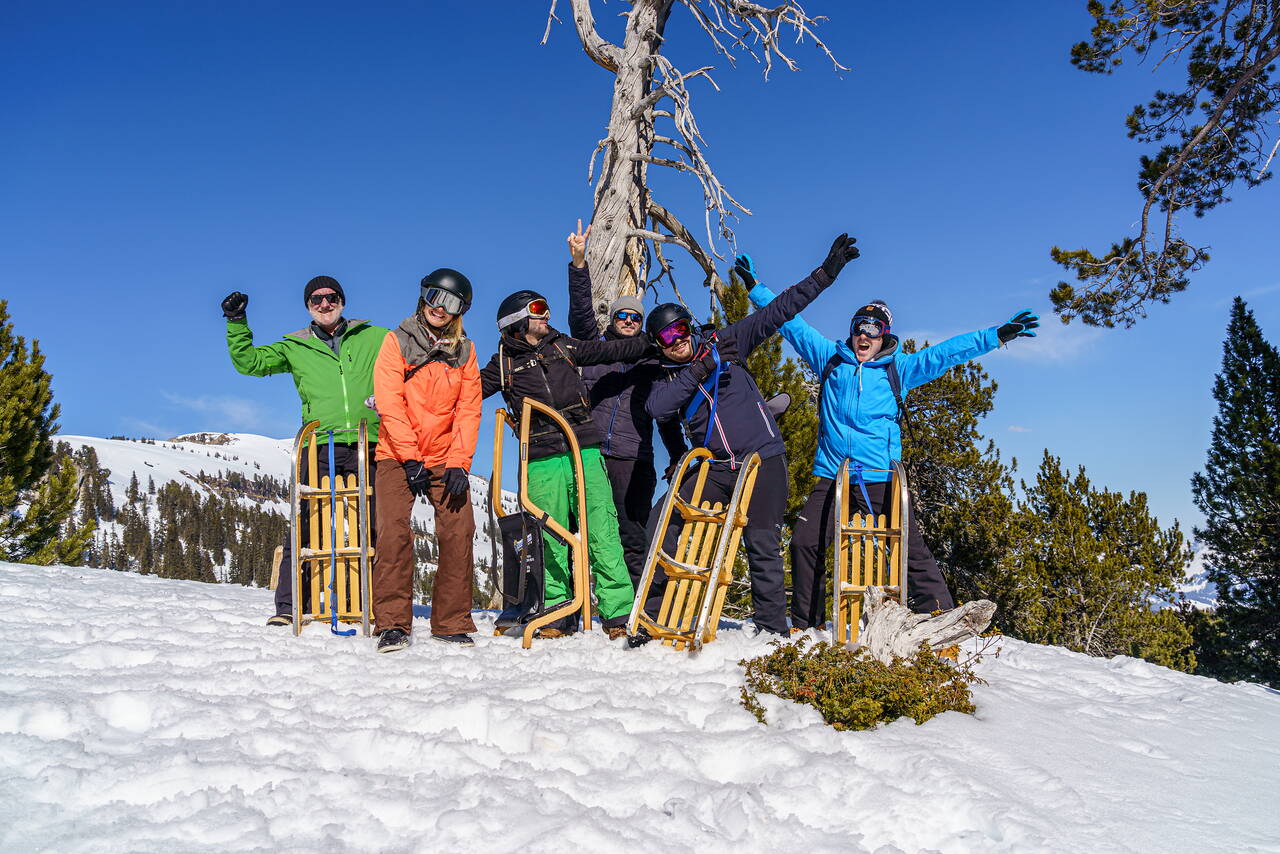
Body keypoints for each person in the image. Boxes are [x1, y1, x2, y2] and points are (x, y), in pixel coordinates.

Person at [743, 255, 1039, 625]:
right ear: (852, 331)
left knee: (910, 550)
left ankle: (942, 620)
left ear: (885, 335)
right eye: (859, 327)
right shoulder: (830, 361)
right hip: (833, 474)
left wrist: (995, 336)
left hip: (880, 476)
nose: (865, 335)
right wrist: (757, 290)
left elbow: (946, 353)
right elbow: (791, 323)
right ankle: (807, 625)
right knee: (805, 542)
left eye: (874, 328)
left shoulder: (899, 369)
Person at [641, 234, 861, 638]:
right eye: (668, 338)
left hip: (763, 459)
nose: (679, 340)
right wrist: (701, 368)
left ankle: (772, 631)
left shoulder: (728, 342)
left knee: (762, 546)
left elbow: (780, 311)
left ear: (691, 326)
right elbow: (657, 409)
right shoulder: (667, 377)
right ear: (659, 346)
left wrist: (826, 273)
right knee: (662, 523)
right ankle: (652, 616)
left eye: (682, 329)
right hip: (717, 467)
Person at [480, 283, 654, 640]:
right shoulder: (502, 364)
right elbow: (463, 392)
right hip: (541, 457)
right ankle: (557, 614)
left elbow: (613, 350)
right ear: (517, 320)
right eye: (538, 308)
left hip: (583, 447)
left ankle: (618, 612)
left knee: (601, 528)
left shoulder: (564, 346)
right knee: (550, 534)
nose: (547, 315)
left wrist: (656, 341)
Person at [222, 276, 387, 627]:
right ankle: (291, 605)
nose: (325, 305)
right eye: (316, 300)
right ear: (308, 306)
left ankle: (373, 603)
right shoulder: (295, 345)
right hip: (320, 444)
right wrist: (237, 323)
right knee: (304, 525)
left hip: (369, 440)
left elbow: (411, 355)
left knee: (374, 524)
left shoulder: (375, 337)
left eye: (331, 298)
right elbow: (249, 363)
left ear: (342, 301)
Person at [563, 220, 687, 588]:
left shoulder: (652, 363)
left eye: (636, 317)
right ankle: (572, 603)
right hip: (590, 452)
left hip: (634, 458)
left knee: (631, 533)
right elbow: (581, 315)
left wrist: (678, 454)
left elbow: (665, 415)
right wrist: (579, 264)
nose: (629, 321)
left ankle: (636, 602)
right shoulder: (594, 350)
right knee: (578, 527)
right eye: (623, 315)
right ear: (613, 320)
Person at [370, 269, 483, 653]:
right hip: (397, 455)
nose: (440, 307)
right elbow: (389, 401)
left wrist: (459, 463)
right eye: (435, 297)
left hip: (444, 457)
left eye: (450, 302)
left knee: (459, 530)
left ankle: (451, 621)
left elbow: (469, 410)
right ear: (423, 297)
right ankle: (392, 624)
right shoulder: (396, 341)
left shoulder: (465, 352)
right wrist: (410, 458)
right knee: (392, 533)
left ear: (460, 310)